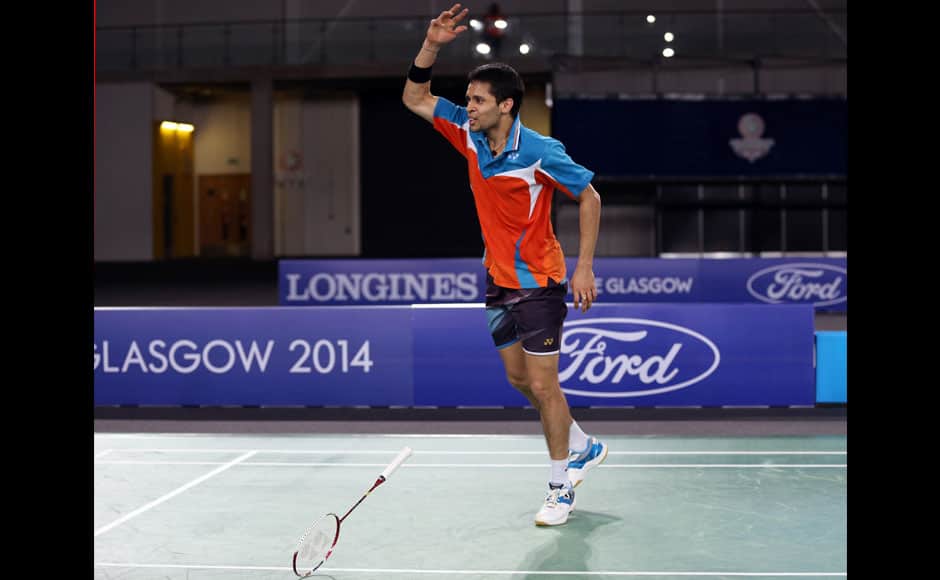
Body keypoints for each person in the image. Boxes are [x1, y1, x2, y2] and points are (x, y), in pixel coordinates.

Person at [402, 3, 608, 527]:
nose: (467, 107)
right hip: (497, 279)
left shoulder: (540, 150)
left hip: (540, 281)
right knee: (519, 379)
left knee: (544, 386)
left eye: (477, 100)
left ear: (507, 105)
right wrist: (431, 45)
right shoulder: (467, 134)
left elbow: (590, 197)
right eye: (467, 99)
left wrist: (584, 268)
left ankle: (561, 487)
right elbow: (414, 97)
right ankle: (582, 444)